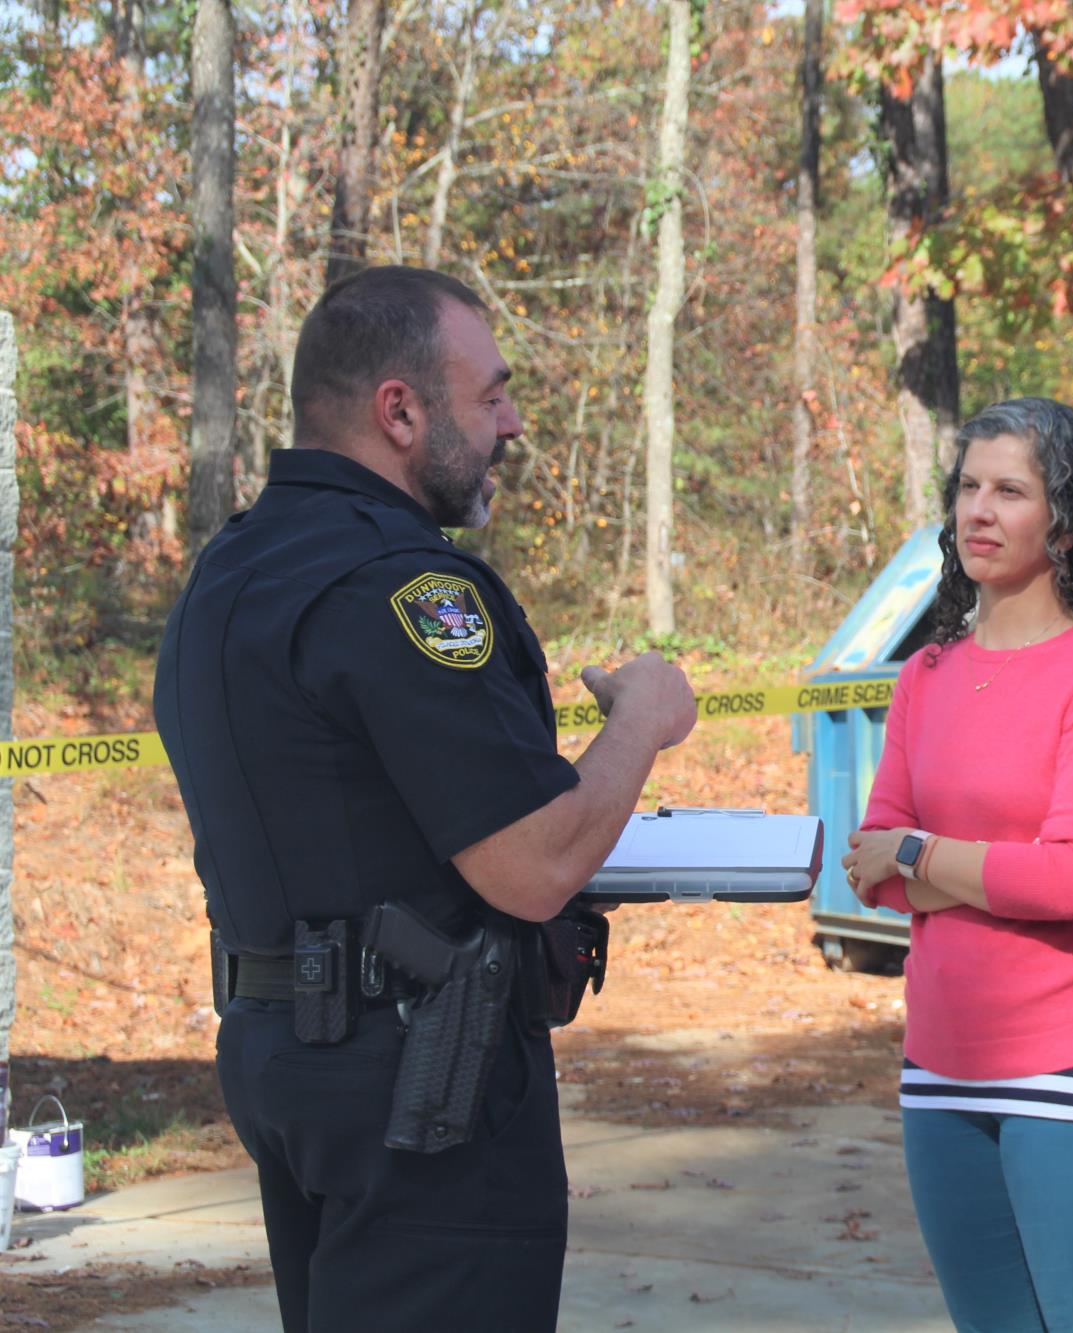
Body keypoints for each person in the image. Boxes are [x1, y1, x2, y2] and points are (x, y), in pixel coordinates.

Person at [153, 266, 698, 1332]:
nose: (513, 422)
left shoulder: (229, 569)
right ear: (399, 411)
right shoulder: (406, 588)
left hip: (284, 1056)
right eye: (489, 394)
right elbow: (533, 865)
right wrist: (641, 717)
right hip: (421, 1083)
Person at [840, 398, 1073, 1331]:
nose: (978, 510)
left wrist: (922, 855)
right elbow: (869, 866)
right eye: (968, 486)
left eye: (1009, 490)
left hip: (1070, 1071)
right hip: (937, 1072)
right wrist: (944, 862)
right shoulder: (924, 676)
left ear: (1065, 519)